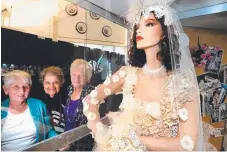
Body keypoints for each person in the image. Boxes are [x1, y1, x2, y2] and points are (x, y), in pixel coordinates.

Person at [82, 0, 205, 151]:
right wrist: (103, 135)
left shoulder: (182, 84)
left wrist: (132, 138)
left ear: (164, 33)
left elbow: (188, 143)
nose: (139, 31)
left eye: (149, 24)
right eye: (137, 26)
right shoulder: (126, 74)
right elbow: (90, 100)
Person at [1, 70, 57, 151]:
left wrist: (59, 140)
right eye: (16, 86)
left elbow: (49, 132)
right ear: (6, 89)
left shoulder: (39, 106)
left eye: (25, 87)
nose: (22, 91)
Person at [63, 59, 94, 151]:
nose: (76, 78)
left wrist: (72, 143)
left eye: (81, 76)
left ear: (88, 77)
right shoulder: (70, 90)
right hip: (66, 142)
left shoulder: (91, 93)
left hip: (82, 146)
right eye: (74, 75)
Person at [39, 66, 66, 134]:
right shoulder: (37, 102)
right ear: (43, 83)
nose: (51, 86)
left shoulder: (67, 98)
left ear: (60, 83)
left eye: (55, 82)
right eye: (47, 83)